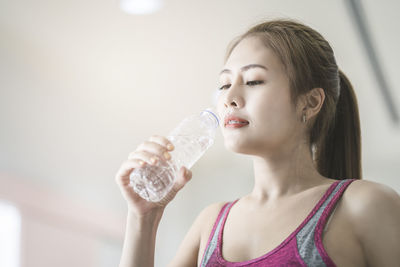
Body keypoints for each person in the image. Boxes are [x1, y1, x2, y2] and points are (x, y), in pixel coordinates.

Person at [115, 19, 400, 267]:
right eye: (224, 85)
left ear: (310, 102)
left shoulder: (365, 205)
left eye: (253, 81)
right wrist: (144, 218)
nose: (228, 98)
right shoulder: (210, 223)